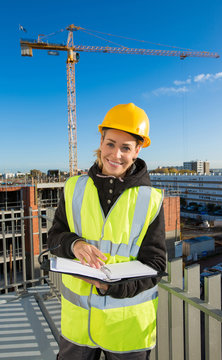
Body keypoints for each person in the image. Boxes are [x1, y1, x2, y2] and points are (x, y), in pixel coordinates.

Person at [47, 103, 166, 360]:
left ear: (137, 150)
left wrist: (110, 287)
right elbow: (54, 239)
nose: (116, 154)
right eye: (111, 143)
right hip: (78, 327)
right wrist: (74, 245)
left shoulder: (150, 200)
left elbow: (156, 265)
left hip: (127, 328)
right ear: (101, 141)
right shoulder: (73, 188)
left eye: (126, 147)